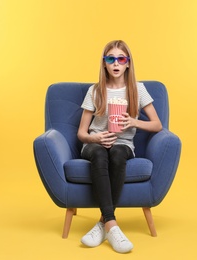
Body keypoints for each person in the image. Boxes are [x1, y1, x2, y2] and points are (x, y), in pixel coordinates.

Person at [77, 40, 162, 253]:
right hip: (95, 144)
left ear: (128, 64)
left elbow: (157, 124)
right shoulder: (95, 91)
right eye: (110, 58)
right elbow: (81, 133)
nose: (116, 63)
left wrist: (134, 122)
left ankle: (104, 224)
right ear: (104, 63)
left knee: (116, 154)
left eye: (121, 59)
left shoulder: (137, 89)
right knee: (99, 153)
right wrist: (95, 139)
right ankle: (112, 225)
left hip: (123, 144)